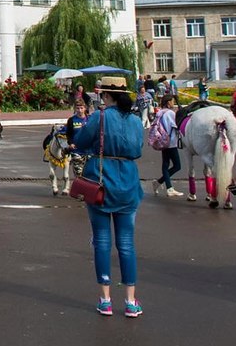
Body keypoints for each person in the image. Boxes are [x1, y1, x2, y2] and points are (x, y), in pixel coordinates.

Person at [75, 75, 144, 317]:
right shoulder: (136, 121)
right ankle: (130, 301)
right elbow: (138, 149)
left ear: (104, 95)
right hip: (128, 183)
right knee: (126, 243)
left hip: (102, 182)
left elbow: (80, 141)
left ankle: (105, 299)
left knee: (102, 241)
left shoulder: (99, 117)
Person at [151, 94, 182, 197]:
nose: (173, 103)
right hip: (171, 141)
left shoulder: (160, 112)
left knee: (165, 164)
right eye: (172, 101)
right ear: (168, 102)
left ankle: (161, 184)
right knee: (177, 166)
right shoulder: (170, 113)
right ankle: (168, 187)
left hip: (162, 141)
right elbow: (176, 126)